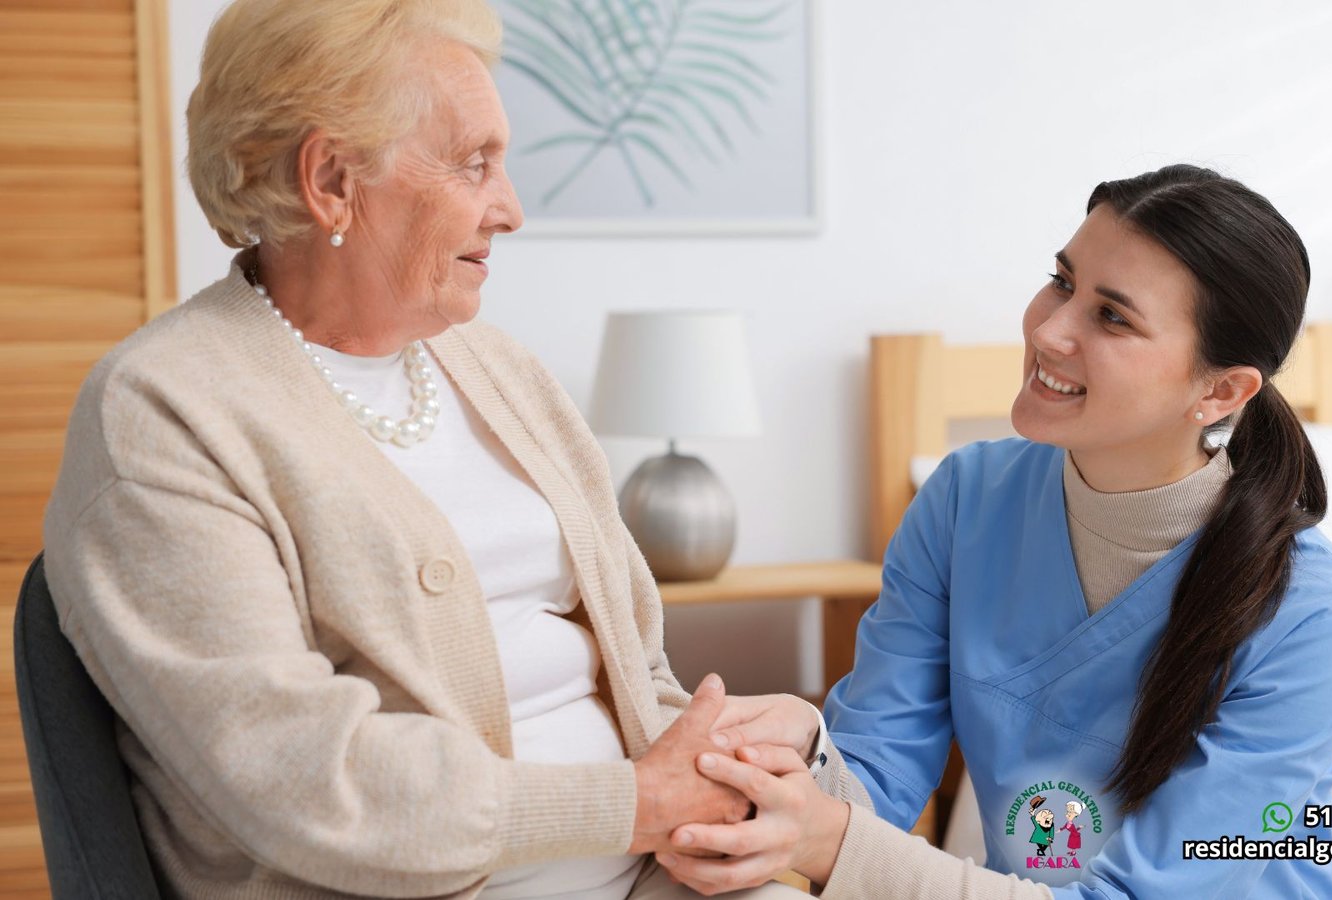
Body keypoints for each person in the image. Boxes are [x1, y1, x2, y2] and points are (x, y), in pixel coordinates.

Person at [41, 1, 810, 897]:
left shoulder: (504, 372)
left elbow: (639, 675)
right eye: (472, 163)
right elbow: (300, 775)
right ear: (331, 179)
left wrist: (732, 790)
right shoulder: (165, 410)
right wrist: (631, 804)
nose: (512, 209)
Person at [658, 165, 1332, 898]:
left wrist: (831, 839)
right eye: (1062, 282)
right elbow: (878, 768)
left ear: (1221, 390)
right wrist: (806, 758)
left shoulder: (1316, 622)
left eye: (1112, 317)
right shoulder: (965, 501)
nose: (1047, 329)